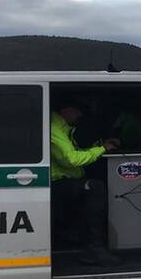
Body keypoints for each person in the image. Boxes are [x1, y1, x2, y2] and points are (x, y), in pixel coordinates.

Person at [51, 97, 121, 265]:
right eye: (77, 111)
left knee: (89, 184)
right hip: (55, 183)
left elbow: (74, 153)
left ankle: (75, 236)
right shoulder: (54, 128)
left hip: (66, 179)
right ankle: (94, 250)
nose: (79, 115)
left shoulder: (62, 127)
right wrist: (103, 149)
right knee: (94, 188)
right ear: (66, 109)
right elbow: (71, 159)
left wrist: (99, 147)